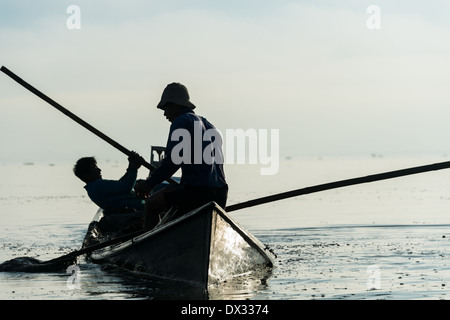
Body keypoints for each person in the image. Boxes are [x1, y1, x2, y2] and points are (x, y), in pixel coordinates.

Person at [134, 83, 228, 229]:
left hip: (196, 191)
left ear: (175, 105)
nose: (165, 114)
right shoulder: (210, 125)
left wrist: (148, 184)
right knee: (172, 200)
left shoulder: (181, 121)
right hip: (220, 193)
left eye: (166, 109)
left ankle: (149, 247)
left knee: (151, 205)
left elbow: (172, 162)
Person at [73, 152, 146, 231]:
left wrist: (131, 166)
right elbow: (125, 188)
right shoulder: (97, 185)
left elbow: (120, 185)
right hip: (134, 211)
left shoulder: (93, 187)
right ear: (87, 175)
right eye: (94, 168)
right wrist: (134, 168)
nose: (99, 170)